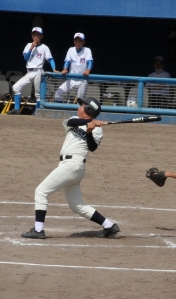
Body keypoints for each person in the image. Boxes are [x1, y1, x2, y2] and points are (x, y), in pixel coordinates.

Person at [21, 97, 120, 239]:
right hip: (68, 166)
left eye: (82, 105)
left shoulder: (97, 130)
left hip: (73, 165)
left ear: (88, 109)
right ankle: (109, 226)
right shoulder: (74, 120)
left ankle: (38, 230)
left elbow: (92, 147)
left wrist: (90, 131)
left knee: (41, 191)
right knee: (77, 206)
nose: (78, 107)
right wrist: (89, 123)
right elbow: (71, 123)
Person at [8, 27, 56, 114]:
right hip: (29, 72)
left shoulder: (44, 47)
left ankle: (37, 112)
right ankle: (17, 109)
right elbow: (26, 58)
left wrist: (54, 69)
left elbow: (50, 59)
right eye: (34, 35)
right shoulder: (28, 45)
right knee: (15, 87)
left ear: (41, 36)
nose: (35, 37)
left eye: (38, 35)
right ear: (32, 36)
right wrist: (31, 48)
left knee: (38, 94)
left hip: (38, 71)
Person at [53, 32, 93, 103]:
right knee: (58, 94)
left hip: (82, 80)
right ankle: (60, 109)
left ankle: (78, 109)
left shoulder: (87, 50)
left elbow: (90, 62)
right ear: (74, 41)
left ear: (83, 42)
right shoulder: (71, 49)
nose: (78, 42)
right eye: (76, 40)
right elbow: (67, 61)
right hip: (72, 79)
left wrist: (88, 70)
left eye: (80, 41)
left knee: (80, 100)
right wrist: (65, 69)